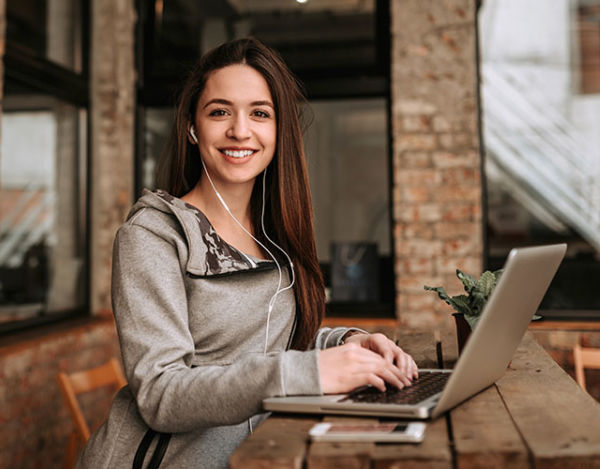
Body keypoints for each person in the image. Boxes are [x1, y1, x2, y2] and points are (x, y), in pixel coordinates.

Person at [77, 38, 418, 469]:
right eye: (220, 111)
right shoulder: (153, 235)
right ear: (192, 127)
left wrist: (346, 343)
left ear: (279, 130)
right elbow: (161, 395)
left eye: (260, 113)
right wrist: (311, 374)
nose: (240, 130)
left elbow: (262, 343)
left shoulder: (273, 234)